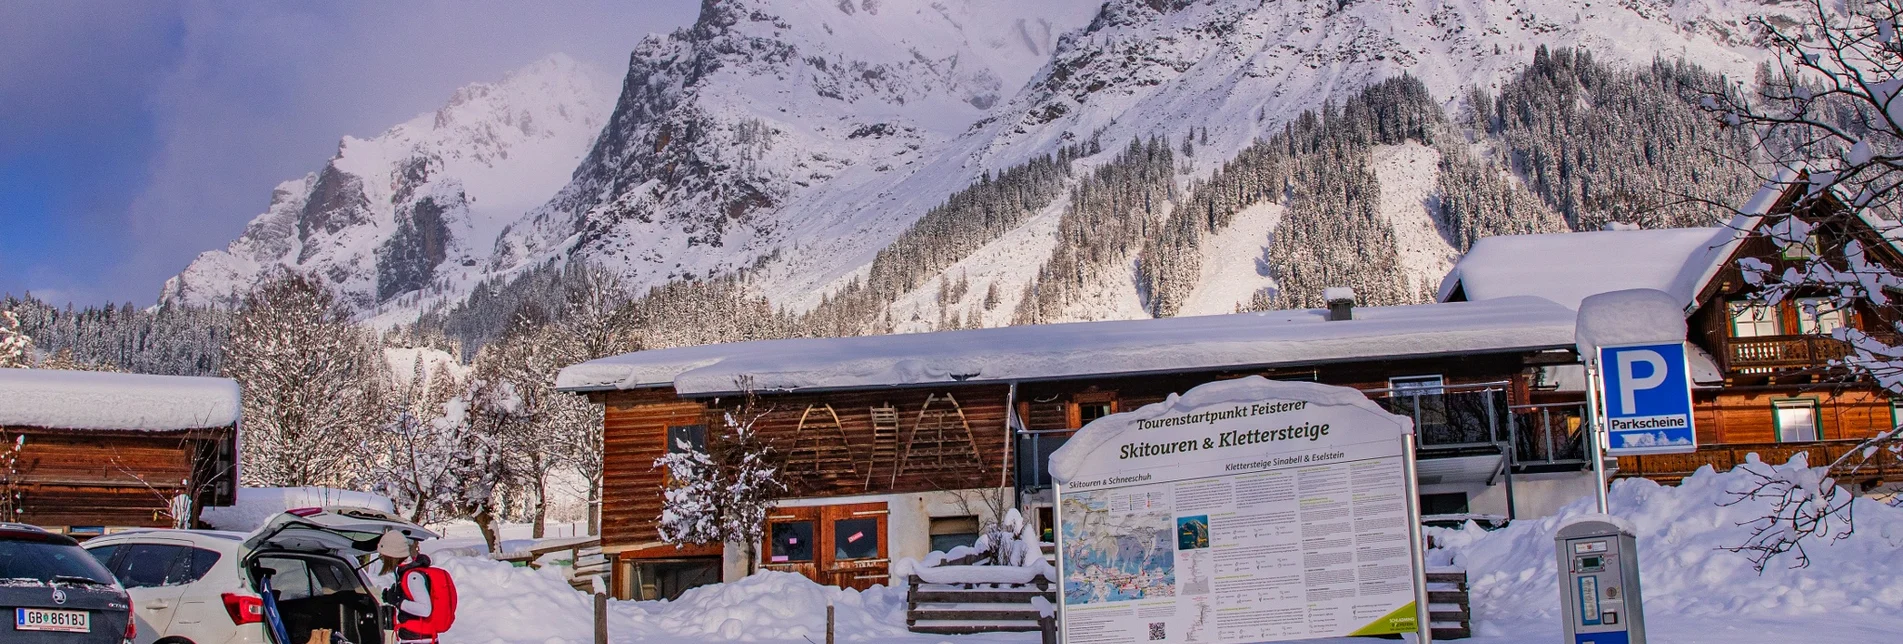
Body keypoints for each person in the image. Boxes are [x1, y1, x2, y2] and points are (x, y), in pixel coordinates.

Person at [377, 530, 457, 644]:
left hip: (419, 639)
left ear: (392, 554)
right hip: (416, 638)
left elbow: (425, 609)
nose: (382, 560)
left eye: (383, 556)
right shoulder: (406, 573)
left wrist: (398, 601)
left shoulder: (412, 577)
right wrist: (393, 598)